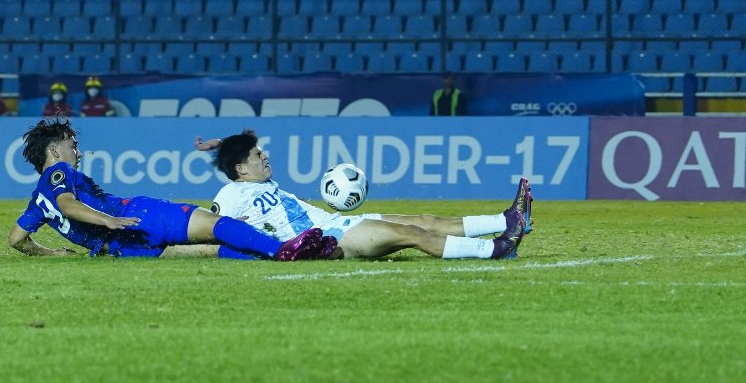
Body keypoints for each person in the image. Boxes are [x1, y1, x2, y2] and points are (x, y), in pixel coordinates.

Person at [7, 118, 335, 260]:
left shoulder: (36, 202)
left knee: (210, 249)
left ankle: (293, 250)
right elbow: (67, 204)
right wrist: (107, 220)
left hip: (122, 250)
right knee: (216, 226)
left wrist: (53, 253)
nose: (77, 153)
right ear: (54, 151)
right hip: (136, 216)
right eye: (72, 146)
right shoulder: (59, 172)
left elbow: (16, 240)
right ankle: (283, 250)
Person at [194, 130, 531, 261]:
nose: (265, 156)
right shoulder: (230, 193)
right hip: (329, 239)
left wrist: (223, 144)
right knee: (411, 234)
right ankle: (496, 249)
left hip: (339, 223)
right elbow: (215, 227)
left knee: (424, 220)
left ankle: (507, 219)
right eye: (257, 155)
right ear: (240, 168)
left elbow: (248, 136)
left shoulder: (263, 184)